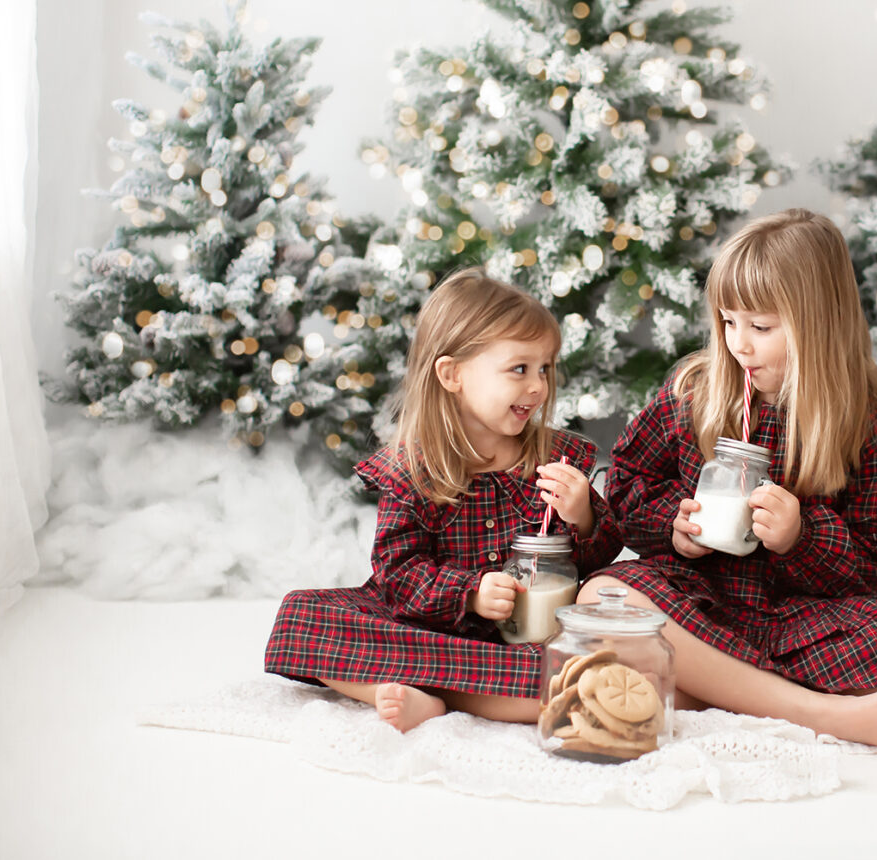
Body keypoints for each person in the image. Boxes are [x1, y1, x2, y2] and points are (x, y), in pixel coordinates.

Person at [583, 209, 877, 751]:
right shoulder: (694, 390)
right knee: (602, 595)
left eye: (761, 327)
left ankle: (707, 685)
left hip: (802, 618)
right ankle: (818, 711)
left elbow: (876, 561)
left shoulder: (868, 423)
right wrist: (673, 525)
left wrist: (801, 536)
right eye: (727, 322)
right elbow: (626, 481)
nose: (739, 343)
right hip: (698, 601)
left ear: (819, 323)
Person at [264, 268, 620, 731]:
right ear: (452, 374)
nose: (538, 387)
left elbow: (596, 559)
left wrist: (586, 517)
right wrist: (468, 594)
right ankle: (424, 692)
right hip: (427, 627)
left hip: (520, 638)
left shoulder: (554, 459)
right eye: (519, 369)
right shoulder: (414, 469)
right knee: (302, 616)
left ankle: (441, 692)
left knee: (592, 645)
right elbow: (398, 572)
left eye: (544, 369)